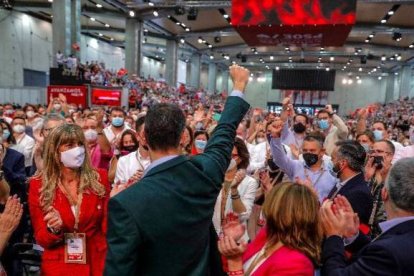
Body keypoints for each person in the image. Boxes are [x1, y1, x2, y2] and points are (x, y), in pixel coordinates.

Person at [104, 65, 251, 275]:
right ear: (183, 136)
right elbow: (224, 134)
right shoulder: (204, 173)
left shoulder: (126, 202)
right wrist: (238, 86)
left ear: (143, 138)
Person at [28, 124, 110, 275]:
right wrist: (53, 228)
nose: (77, 149)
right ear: (55, 150)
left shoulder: (100, 178)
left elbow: (107, 227)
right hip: (59, 265)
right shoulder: (38, 184)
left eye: (80, 144)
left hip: (97, 262)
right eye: (70, 145)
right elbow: (41, 238)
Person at [320, 158, 414, 275]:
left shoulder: (388, 252)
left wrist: (334, 236)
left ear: (384, 193)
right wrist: (353, 236)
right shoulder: (396, 243)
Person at [218, 182, 322, 276]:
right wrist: (231, 241)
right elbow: (230, 266)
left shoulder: (298, 264)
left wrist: (234, 265)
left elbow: (234, 266)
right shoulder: (268, 235)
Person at [268, 119, 336, 202]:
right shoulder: (296, 166)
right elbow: (280, 159)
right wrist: (275, 137)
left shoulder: (332, 171)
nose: (308, 153)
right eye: (305, 150)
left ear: (322, 152)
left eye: (312, 150)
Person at [213, 138, 258, 241]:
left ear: (241, 158)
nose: (228, 158)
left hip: (236, 239)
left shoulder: (249, 182)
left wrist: (234, 190)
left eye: (233, 156)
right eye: (225, 154)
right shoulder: (213, 177)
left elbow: (243, 215)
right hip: (211, 237)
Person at [329, 140, 373, 229]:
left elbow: (354, 230)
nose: (330, 162)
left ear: (343, 163)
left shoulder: (358, 193)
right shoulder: (342, 183)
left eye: (332, 158)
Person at [364, 140, 395, 238]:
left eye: (379, 151)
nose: (374, 155)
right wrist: (366, 178)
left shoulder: (398, 174)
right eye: (372, 151)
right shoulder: (367, 172)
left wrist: (385, 177)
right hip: (365, 231)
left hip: (386, 232)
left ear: (390, 155)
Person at [113, 116, 150, 185]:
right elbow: (117, 190)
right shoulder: (124, 161)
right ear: (137, 136)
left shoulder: (164, 161)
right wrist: (130, 184)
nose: (149, 136)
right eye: (145, 133)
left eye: (153, 133)